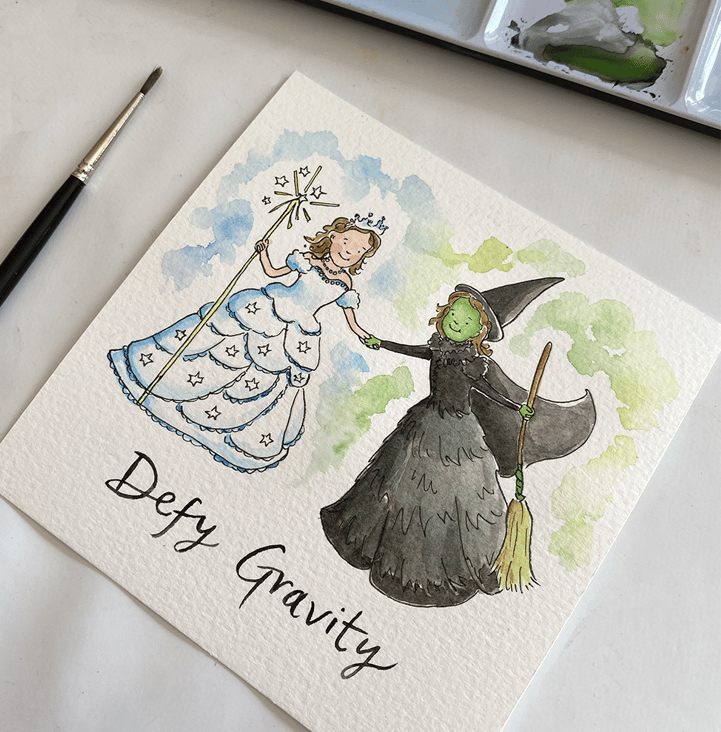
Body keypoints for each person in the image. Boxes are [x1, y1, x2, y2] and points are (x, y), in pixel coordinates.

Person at [321, 280, 596, 607]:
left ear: (479, 331)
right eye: (453, 314)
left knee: (457, 502)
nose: (456, 321)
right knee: (397, 483)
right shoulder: (439, 348)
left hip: (459, 438)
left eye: (466, 320)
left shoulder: (475, 364)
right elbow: (414, 350)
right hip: (424, 423)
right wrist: (380, 343)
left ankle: (443, 569)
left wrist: (517, 408)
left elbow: (491, 393)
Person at [108, 216, 381, 473]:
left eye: (359, 251)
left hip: (298, 334)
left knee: (269, 378)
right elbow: (273, 272)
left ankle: (225, 424)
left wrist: (365, 336)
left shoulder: (345, 282)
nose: (350, 252)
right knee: (224, 348)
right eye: (347, 242)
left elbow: (351, 320)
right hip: (269, 309)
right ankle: (170, 383)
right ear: (333, 237)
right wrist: (263, 252)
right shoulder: (307, 261)